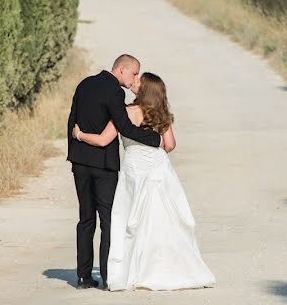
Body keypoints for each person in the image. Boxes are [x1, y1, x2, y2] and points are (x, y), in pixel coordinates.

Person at [73, 72, 215, 291]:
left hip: (134, 169)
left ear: (145, 90)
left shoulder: (126, 112)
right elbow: (170, 145)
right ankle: (167, 266)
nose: (134, 81)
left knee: (132, 219)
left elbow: (103, 140)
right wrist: (155, 146)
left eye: (139, 81)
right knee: (162, 218)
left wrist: (80, 135)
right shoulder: (162, 114)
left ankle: (134, 268)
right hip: (158, 168)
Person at [66, 54, 162, 290]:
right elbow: (125, 127)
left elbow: (72, 120)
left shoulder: (84, 84)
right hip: (104, 165)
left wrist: (75, 147)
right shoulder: (115, 92)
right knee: (108, 220)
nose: (135, 79)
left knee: (85, 219)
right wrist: (154, 139)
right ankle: (109, 276)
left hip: (80, 162)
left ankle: (83, 277)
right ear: (121, 69)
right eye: (134, 73)